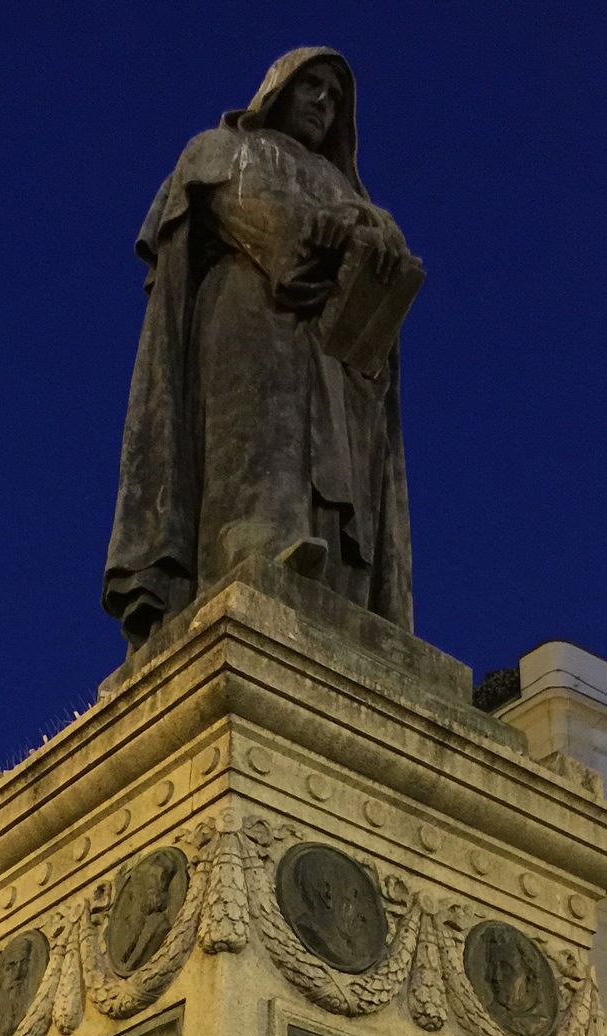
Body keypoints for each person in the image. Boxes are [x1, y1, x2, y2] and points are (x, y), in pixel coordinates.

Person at [103, 48, 416, 648]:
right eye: (312, 86)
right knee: (257, 450)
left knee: (336, 464)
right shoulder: (221, 151)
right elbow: (266, 227)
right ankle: (255, 551)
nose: (324, 102)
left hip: (336, 359)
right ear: (276, 91)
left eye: (335, 95)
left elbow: (385, 249)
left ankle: (339, 583)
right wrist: (320, 229)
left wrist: (375, 236)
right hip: (249, 329)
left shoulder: (348, 191)